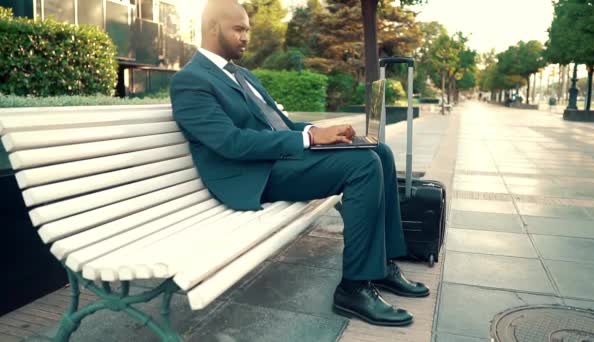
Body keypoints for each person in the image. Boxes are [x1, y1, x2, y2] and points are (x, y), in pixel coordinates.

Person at [169, 0, 429, 327]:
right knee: (363, 166)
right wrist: (308, 141)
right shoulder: (190, 81)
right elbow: (230, 143)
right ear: (211, 28)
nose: (246, 37)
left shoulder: (242, 75)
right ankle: (354, 287)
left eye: (248, 29)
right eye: (238, 29)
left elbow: (277, 123)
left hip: (275, 160)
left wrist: (318, 132)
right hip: (249, 176)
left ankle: (384, 264)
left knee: (379, 152)